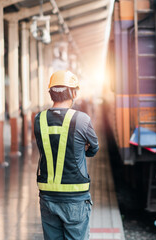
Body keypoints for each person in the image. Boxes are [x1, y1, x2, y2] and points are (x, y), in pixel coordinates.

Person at [34, 70, 99, 240]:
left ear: (51, 93)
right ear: (73, 92)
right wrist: (81, 148)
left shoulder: (39, 119)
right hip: (75, 196)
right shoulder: (81, 119)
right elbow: (94, 148)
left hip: (47, 195)